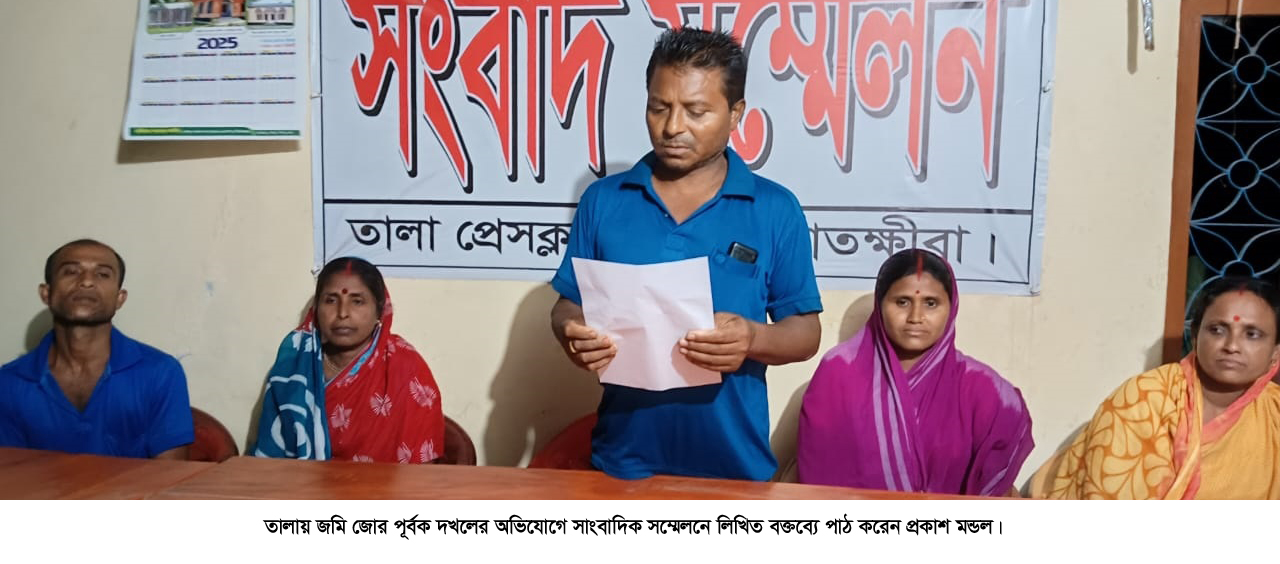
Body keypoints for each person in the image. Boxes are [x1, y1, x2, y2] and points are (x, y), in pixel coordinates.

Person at [550, 27, 823, 481]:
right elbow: (567, 303)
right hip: (622, 462)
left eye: (696, 111)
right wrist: (571, 332)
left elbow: (806, 333)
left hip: (734, 468)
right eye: (659, 107)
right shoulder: (604, 200)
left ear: (736, 114)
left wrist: (752, 337)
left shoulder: (775, 209)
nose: (673, 127)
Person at [797, 249, 1033, 496]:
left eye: (931, 303)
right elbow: (819, 473)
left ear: (951, 308)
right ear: (880, 305)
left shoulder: (980, 389)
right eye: (902, 302)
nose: (915, 317)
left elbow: (1006, 438)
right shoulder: (839, 374)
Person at [1031, 276, 1280, 499]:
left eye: (1252, 334)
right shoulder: (1142, 400)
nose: (1232, 346)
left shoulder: (1274, 414)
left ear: (1275, 352)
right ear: (1195, 337)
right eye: (1217, 330)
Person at [0, 239, 193, 459]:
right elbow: (11, 474)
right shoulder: (9, 382)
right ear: (46, 293)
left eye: (102, 274)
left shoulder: (160, 373)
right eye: (71, 272)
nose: (86, 281)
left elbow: (171, 474)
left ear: (120, 298)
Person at [252, 257, 445, 463]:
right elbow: (270, 458)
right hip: (300, 481)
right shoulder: (294, 365)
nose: (342, 313)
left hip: (386, 484)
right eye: (331, 300)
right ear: (316, 309)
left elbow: (422, 468)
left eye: (357, 301)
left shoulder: (404, 366)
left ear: (379, 310)